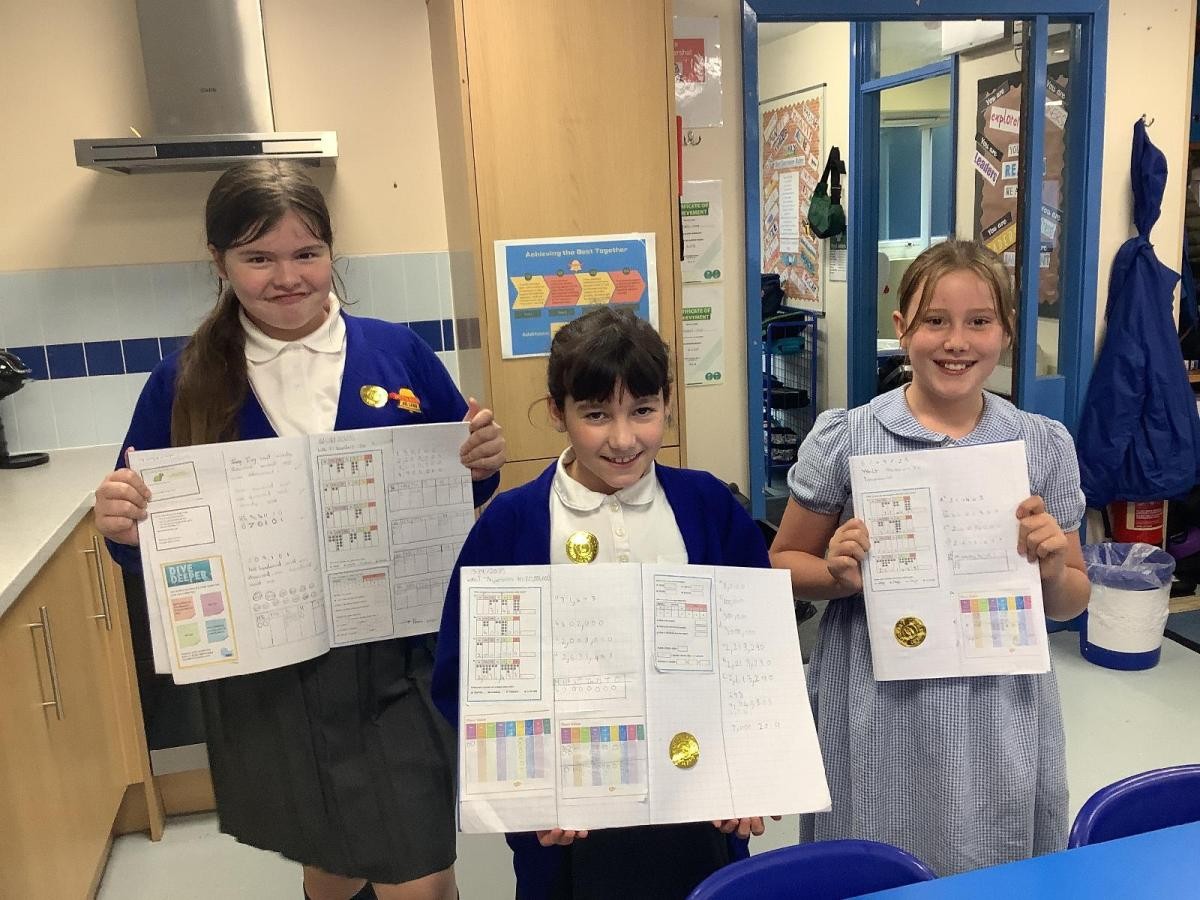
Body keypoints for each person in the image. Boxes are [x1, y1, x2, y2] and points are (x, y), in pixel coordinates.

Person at [93, 161, 506, 900]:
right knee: (334, 857)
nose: (287, 277)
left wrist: (480, 462)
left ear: (331, 253)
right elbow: (149, 544)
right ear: (219, 261)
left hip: (397, 655)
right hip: (272, 674)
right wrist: (124, 526)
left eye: (306, 253)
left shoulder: (398, 353)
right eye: (258, 258)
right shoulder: (182, 381)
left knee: (418, 867)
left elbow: (458, 487)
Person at [768, 239, 1090, 875]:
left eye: (979, 321)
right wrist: (835, 574)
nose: (956, 342)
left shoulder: (1040, 444)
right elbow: (781, 563)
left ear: (1005, 331)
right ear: (902, 328)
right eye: (934, 320)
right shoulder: (850, 436)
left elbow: (1072, 597)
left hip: (1000, 700)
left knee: (995, 855)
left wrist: (1053, 569)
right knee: (876, 851)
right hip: (878, 697)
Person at [431, 307, 774, 900]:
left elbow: (758, 655)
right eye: (595, 415)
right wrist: (527, 795)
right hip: (567, 825)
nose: (622, 438)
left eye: (642, 410)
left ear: (667, 403)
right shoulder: (512, 523)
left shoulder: (707, 506)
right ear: (557, 411)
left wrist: (751, 773)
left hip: (698, 805)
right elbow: (463, 675)